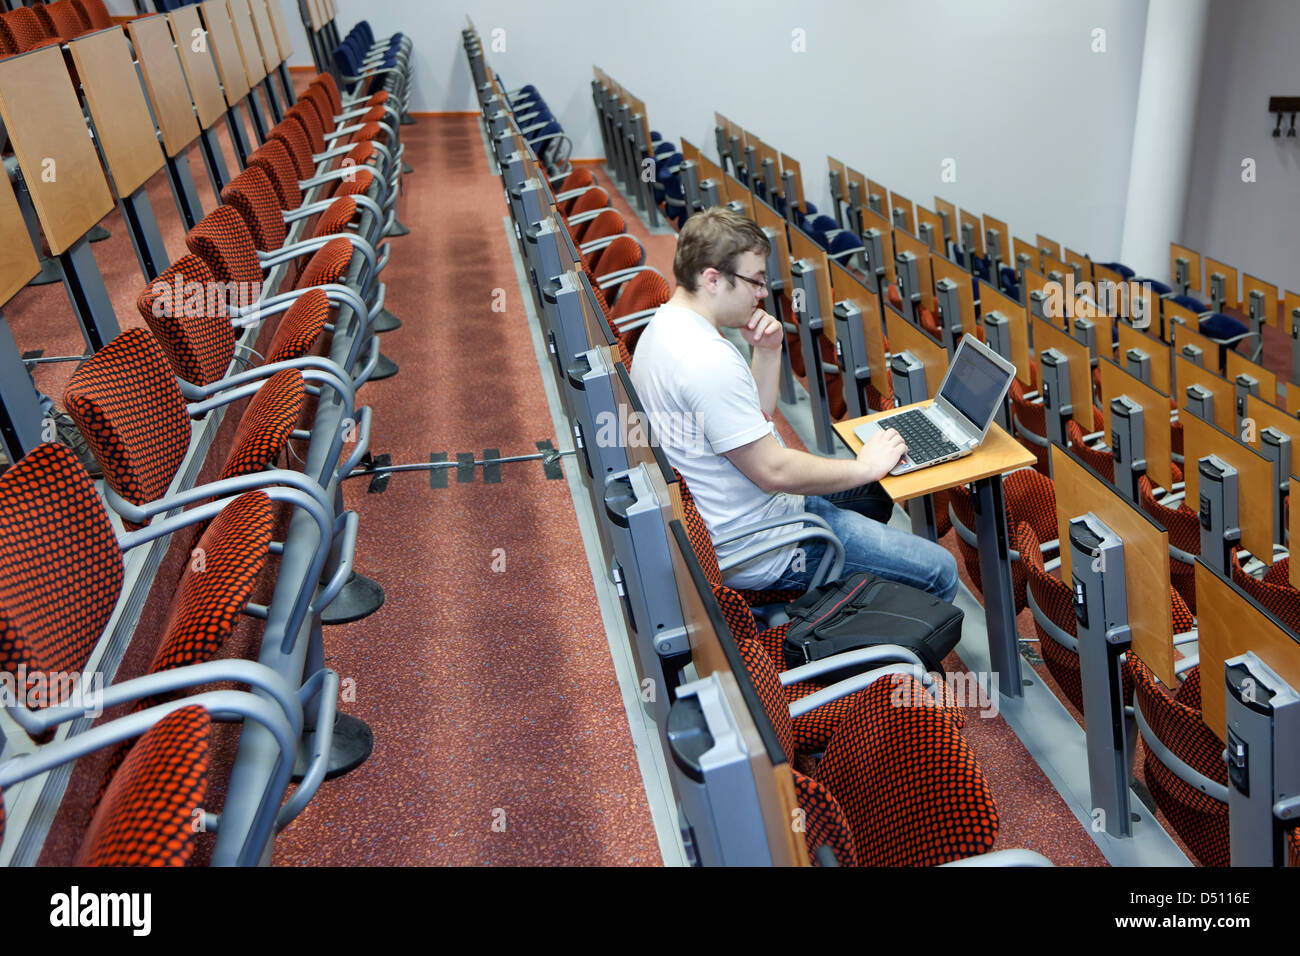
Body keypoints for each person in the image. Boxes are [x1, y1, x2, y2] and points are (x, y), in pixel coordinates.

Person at [630, 207, 957, 601]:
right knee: (941, 570)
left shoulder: (666, 328)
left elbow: (752, 421)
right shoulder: (704, 358)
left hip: (747, 512)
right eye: (754, 282)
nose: (763, 293)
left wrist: (767, 353)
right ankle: (869, 640)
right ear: (713, 279)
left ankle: (858, 592)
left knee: (874, 492)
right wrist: (862, 466)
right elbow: (773, 471)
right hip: (766, 547)